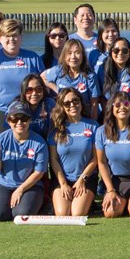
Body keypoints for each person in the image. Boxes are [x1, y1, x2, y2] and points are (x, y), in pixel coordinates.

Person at [0, 101, 49, 221]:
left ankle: (38, 203)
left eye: (24, 118)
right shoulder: (0, 139)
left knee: (21, 215)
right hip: (3, 183)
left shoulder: (39, 143)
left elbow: (39, 172)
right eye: (14, 119)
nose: (19, 123)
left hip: (30, 185)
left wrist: (20, 190)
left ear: (30, 120)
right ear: (8, 121)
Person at [0, 19, 44, 132]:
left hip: (27, 112)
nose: (11, 39)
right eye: (7, 36)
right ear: (0, 38)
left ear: (21, 37)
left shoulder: (32, 57)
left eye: (15, 35)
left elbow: (44, 86)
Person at [48, 88, 99, 217]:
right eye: (67, 103)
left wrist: (82, 179)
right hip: (62, 180)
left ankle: (89, 202)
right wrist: (63, 183)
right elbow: (53, 159)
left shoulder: (93, 126)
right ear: (62, 106)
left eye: (75, 101)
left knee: (77, 214)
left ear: (81, 102)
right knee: (62, 214)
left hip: (85, 179)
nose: (72, 105)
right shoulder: (56, 130)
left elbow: (96, 157)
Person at [43, 39, 101, 121]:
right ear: (64, 56)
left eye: (77, 53)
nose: (73, 57)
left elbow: (94, 104)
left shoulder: (90, 76)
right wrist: (57, 89)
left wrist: (93, 124)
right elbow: (42, 77)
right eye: (69, 53)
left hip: (84, 117)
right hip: (64, 117)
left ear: (82, 55)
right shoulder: (58, 71)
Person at [15, 73, 55, 138]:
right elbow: (12, 132)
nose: (34, 93)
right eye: (29, 90)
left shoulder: (49, 103)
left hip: (45, 143)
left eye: (38, 89)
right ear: (23, 91)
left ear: (43, 90)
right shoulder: (16, 107)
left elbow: (54, 130)